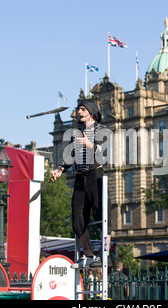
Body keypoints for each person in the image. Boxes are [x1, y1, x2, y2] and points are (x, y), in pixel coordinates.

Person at [51, 100, 107, 269]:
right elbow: (70, 155)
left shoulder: (101, 130)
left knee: (101, 217)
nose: (79, 112)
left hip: (95, 175)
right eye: (78, 109)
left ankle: (104, 256)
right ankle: (88, 256)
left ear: (90, 112)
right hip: (79, 179)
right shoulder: (77, 133)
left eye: (82, 109)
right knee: (77, 220)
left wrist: (88, 144)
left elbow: (103, 154)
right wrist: (60, 169)